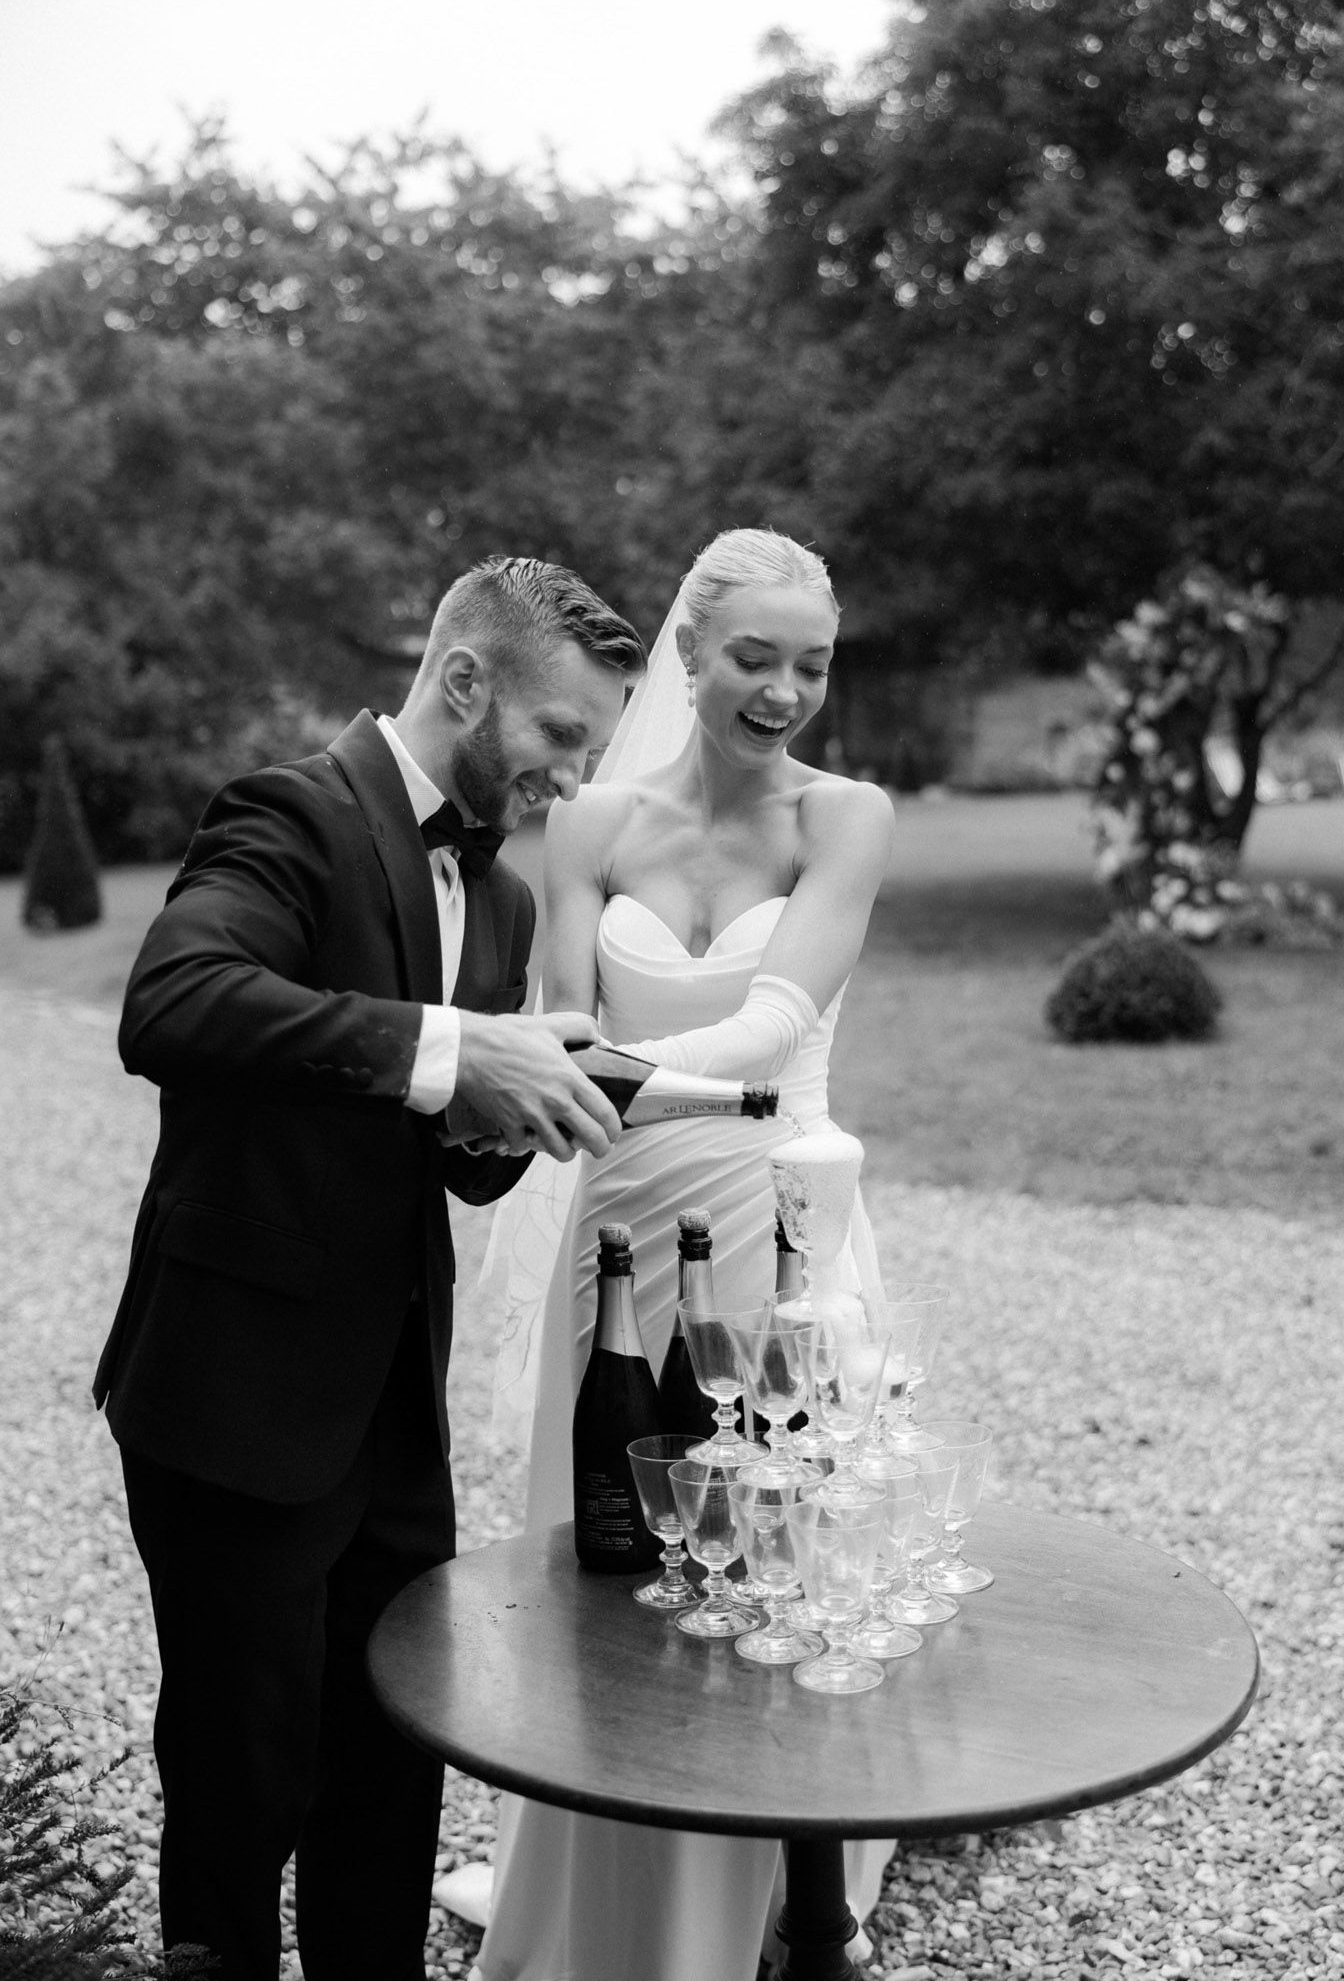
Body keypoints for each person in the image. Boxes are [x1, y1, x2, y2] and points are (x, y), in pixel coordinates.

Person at [92, 555, 648, 1981]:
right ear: (464, 680)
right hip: (235, 1400)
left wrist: (522, 1103)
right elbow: (175, 1003)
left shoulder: (504, 901)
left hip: (394, 1407)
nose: (574, 778)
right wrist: (455, 1051)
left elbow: (446, 1149)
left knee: (393, 1771)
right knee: (243, 1774)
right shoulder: (289, 813)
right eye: (561, 734)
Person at [462, 528, 897, 1981]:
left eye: (812, 666)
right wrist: (559, 1058)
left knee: (767, 1562)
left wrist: (599, 1068)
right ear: (689, 656)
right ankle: (609, 1907)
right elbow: (562, 1017)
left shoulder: (846, 817)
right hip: (618, 1226)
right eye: (754, 659)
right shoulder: (589, 823)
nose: (784, 692)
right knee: (609, 1558)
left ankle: (780, 1897)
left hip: (783, 1229)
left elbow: (773, 1026)